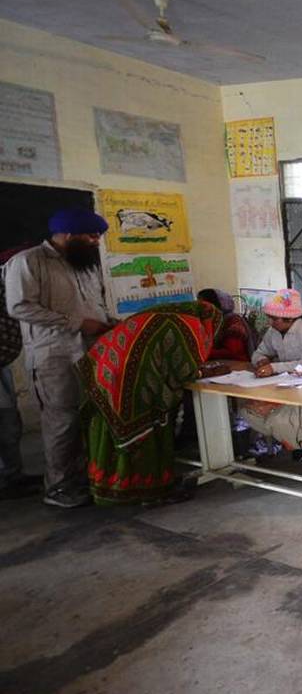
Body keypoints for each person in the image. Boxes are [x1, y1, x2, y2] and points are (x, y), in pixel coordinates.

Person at [5, 208, 114, 508]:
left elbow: (95, 304)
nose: (96, 241)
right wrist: (76, 323)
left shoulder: (85, 263)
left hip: (92, 351)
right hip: (54, 355)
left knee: (91, 415)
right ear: (67, 234)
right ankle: (59, 486)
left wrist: (109, 323)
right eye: (91, 235)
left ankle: (86, 475)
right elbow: (19, 307)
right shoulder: (28, 262)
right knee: (62, 420)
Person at [78, 302, 222, 504]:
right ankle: (150, 492)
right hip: (132, 379)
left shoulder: (157, 315)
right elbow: (183, 371)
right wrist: (203, 372)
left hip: (105, 371)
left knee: (108, 427)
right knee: (149, 428)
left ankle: (106, 486)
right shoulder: (189, 325)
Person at [237, 288, 302, 459]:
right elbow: (259, 352)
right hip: (284, 385)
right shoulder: (273, 333)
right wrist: (261, 360)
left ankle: (298, 440)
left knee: (279, 417)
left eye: (274, 318)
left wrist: (274, 367)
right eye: (270, 317)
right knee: (247, 410)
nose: (270, 323)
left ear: (290, 319)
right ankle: (289, 438)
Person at [0, 245, 42, 498]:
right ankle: (7, 478)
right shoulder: (10, 277)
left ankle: (12, 475)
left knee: (9, 421)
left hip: (3, 362)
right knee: (6, 422)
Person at [196, 288, 255, 361]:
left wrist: (201, 353)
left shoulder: (233, 321)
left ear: (215, 305)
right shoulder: (210, 321)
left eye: (203, 305)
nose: (199, 309)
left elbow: (231, 352)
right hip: (220, 362)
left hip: (238, 363)